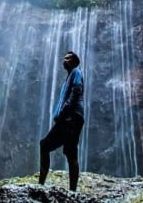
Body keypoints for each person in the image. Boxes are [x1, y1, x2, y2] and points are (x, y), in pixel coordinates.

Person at [39, 51, 85, 191]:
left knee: (51, 146)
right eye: (64, 57)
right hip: (69, 117)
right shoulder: (69, 77)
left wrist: (65, 111)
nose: (64, 60)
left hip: (71, 117)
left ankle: (43, 186)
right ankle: (70, 191)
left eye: (68, 58)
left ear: (74, 61)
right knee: (64, 150)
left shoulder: (76, 72)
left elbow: (77, 90)